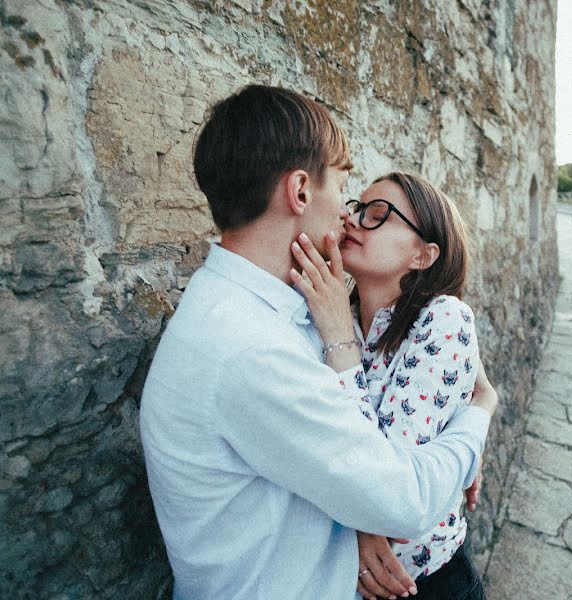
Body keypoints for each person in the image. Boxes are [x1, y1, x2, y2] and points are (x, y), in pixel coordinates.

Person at [139, 85, 498, 599]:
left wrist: (455, 406)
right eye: (345, 186)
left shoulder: (282, 308)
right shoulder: (248, 346)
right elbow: (404, 499)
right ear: (301, 192)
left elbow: (355, 439)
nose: (347, 216)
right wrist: (478, 414)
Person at [292, 173, 486, 599]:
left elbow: (387, 486)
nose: (354, 218)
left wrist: (339, 340)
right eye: (359, 208)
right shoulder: (328, 315)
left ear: (423, 255)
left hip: (426, 585)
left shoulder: (442, 320)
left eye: (379, 214)